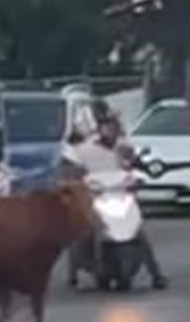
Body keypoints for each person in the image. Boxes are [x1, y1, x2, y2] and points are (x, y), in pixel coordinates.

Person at [69, 106, 168, 290]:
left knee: (138, 233)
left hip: (121, 197)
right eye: (106, 126)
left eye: (113, 126)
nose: (111, 130)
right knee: (83, 231)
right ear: (99, 129)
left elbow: (136, 169)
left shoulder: (124, 148)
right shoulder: (84, 150)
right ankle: (75, 270)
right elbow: (74, 174)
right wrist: (79, 187)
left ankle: (156, 274)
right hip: (96, 199)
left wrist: (137, 178)